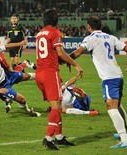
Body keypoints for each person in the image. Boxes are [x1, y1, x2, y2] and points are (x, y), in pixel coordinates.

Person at [69, 16, 127, 148]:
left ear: (88, 27)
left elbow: (78, 52)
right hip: (118, 76)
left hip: (109, 78)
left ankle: (125, 140)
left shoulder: (91, 38)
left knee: (111, 108)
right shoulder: (111, 37)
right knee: (117, 106)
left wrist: (66, 60)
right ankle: (125, 133)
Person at [35, 9, 83, 150]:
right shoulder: (55, 32)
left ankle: (59, 136)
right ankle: (48, 138)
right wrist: (75, 64)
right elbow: (60, 52)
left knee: (58, 104)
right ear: (56, 21)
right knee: (56, 107)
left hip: (40, 73)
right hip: (50, 73)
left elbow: (51, 53)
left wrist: (61, 60)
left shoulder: (39, 34)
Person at [0, 44, 41, 117]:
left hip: (8, 75)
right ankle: (28, 111)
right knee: (22, 100)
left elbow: (5, 46)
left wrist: (19, 43)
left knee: (27, 76)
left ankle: (42, 76)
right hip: (3, 86)